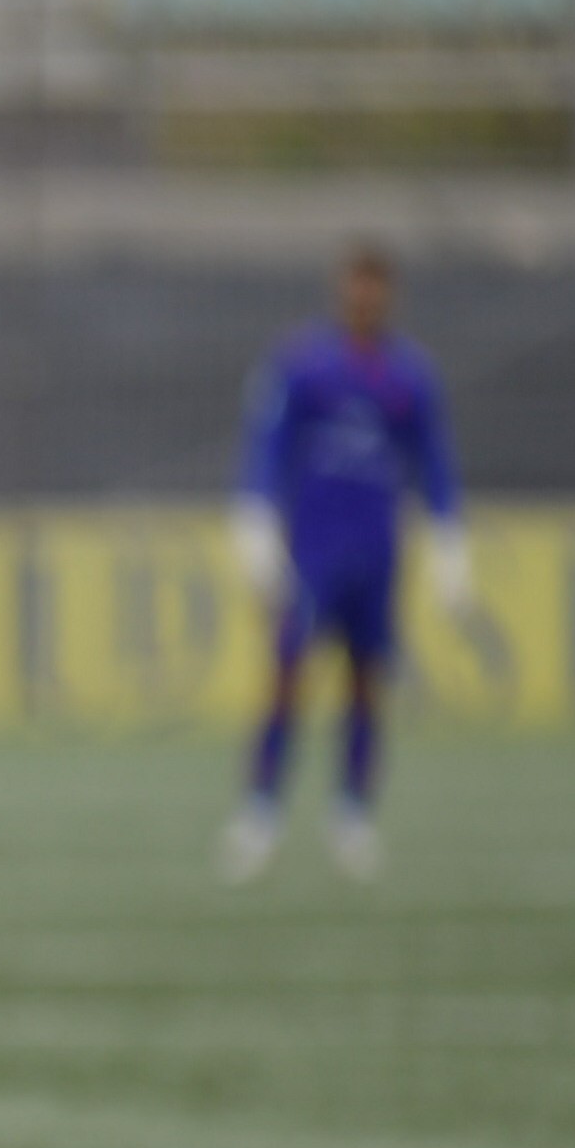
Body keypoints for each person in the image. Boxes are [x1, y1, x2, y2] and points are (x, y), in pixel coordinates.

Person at [220, 241, 466, 885]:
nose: (366, 298)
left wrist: (447, 537)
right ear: (341, 290)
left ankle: (352, 813)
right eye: (357, 286)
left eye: (376, 287)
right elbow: (269, 445)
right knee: (287, 677)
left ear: (389, 295)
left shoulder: (410, 375)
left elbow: (433, 462)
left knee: (365, 682)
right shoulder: (305, 366)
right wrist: (255, 516)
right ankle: (261, 809)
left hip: (376, 552)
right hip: (312, 552)